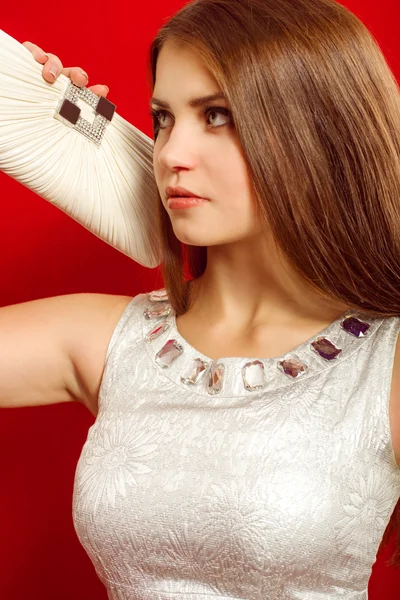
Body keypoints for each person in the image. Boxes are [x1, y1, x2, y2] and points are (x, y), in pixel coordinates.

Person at [2, 0, 400, 597]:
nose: (170, 155)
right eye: (163, 118)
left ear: (320, 131)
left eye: (217, 115)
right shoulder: (106, 340)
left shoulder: (385, 363)